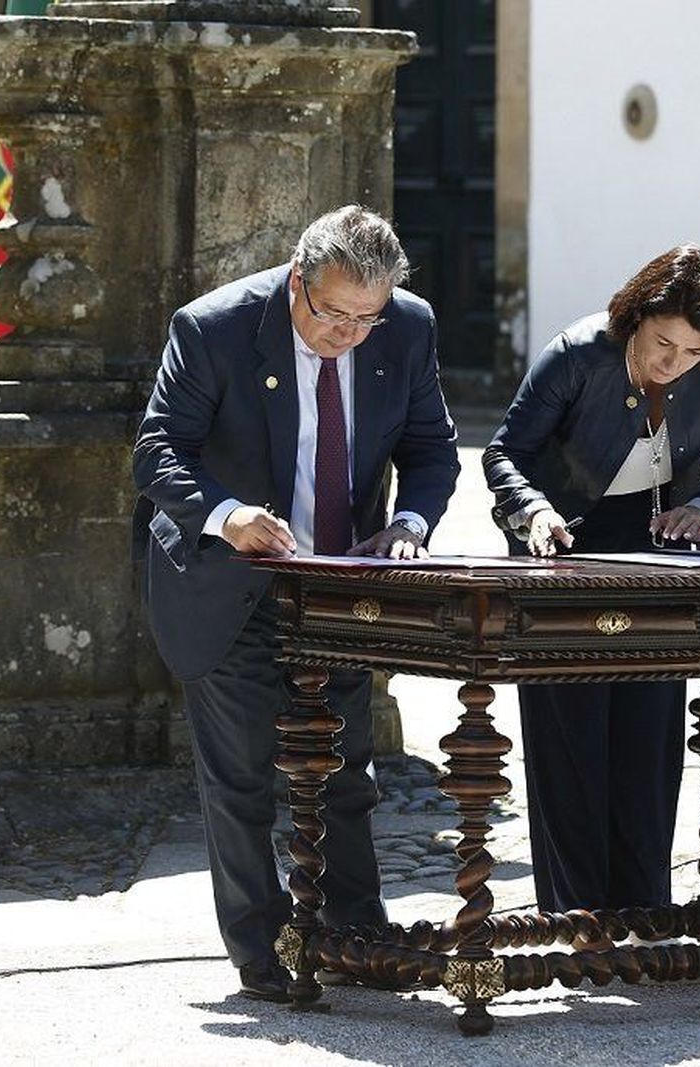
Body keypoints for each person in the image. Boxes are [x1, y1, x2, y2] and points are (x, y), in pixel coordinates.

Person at [132, 205, 460, 1001]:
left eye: (365, 319)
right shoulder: (214, 328)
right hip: (229, 582)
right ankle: (261, 945)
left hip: (339, 585)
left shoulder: (406, 329)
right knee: (243, 778)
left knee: (347, 771)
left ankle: (356, 933)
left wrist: (409, 525)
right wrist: (226, 514)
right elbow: (157, 449)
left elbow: (431, 448)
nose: (348, 334)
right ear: (296, 281)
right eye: (333, 314)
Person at [483, 245, 700, 934]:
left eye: (691, 352)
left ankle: (645, 911)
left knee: (650, 732)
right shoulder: (578, 352)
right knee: (572, 735)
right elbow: (505, 453)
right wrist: (533, 511)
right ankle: (573, 918)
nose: (674, 363)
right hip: (568, 541)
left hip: (663, 547)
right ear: (636, 315)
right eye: (662, 342)